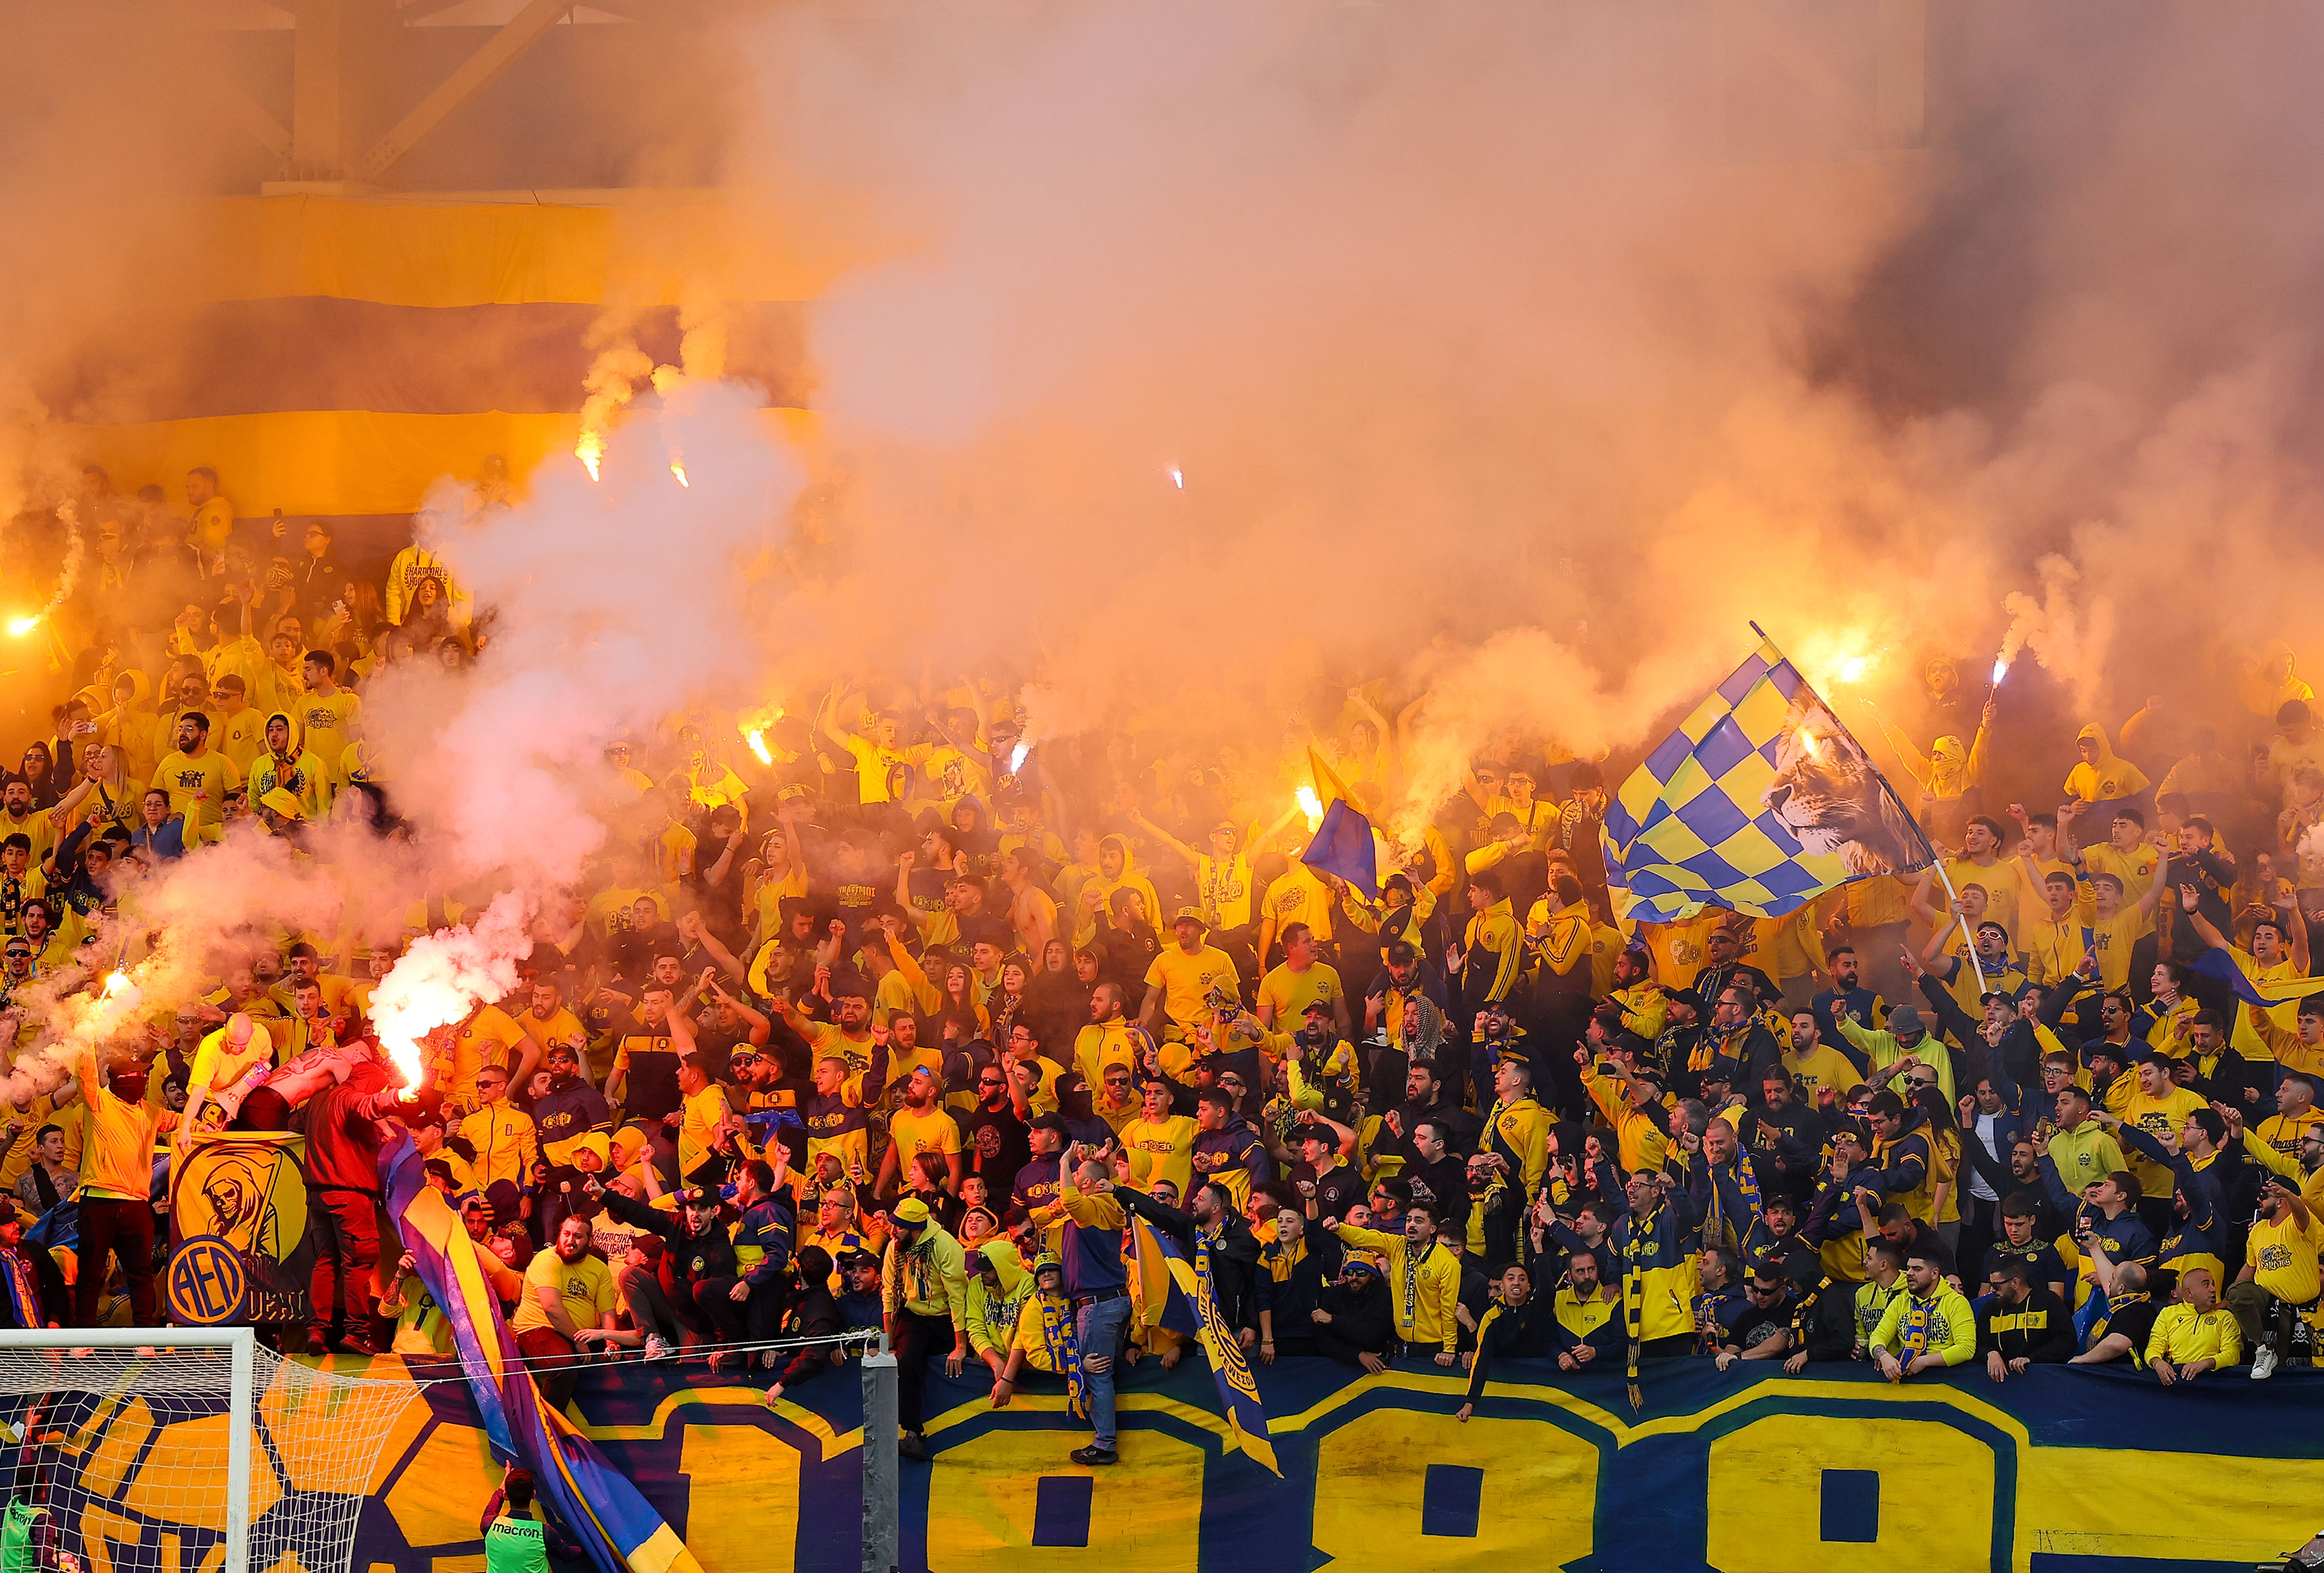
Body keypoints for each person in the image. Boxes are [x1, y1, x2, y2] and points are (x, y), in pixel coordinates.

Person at [880, 1195, 969, 1458]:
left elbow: (957, 1297)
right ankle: (912, 1433)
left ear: (916, 1228)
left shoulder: (946, 1246)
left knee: (952, 1365)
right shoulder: (896, 1246)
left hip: (944, 1316)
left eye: (900, 1226)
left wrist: (961, 1346)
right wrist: (889, 1342)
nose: (893, 1230)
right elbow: (888, 1293)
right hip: (914, 1313)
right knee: (906, 1362)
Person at [511, 1215, 622, 1413]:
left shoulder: (599, 1269)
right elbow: (552, 1308)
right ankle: (548, 1425)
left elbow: (607, 1311)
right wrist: (578, 1341)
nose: (570, 1241)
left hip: (582, 1334)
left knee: (628, 1352)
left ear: (590, 1241)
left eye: (577, 1236)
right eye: (566, 1234)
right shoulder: (546, 1259)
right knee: (564, 1365)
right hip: (537, 1329)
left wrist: (610, 1342)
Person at [1867, 1249, 1975, 1382]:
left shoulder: (1956, 1302)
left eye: (1917, 1269)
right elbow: (1878, 1335)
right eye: (1908, 1268)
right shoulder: (1901, 1301)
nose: (1909, 1273)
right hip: (1906, 1378)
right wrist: (1884, 1356)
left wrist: (1924, 1362)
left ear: (1934, 1274)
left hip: (1945, 1379)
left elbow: (1966, 1348)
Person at [1974, 1258, 2075, 1381]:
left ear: (2015, 1283)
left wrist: (2032, 1359)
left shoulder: (2048, 1302)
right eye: (1991, 1285)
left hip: (2045, 1380)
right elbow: (1978, 1344)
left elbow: (2067, 1341)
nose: (1992, 1290)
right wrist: (1990, 1353)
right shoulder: (1990, 1310)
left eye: (1997, 1286)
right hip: (2002, 1384)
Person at [478, 1467, 580, 1573]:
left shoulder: (489, 1525)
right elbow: (570, 1555)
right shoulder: (545, 1533)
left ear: (506, 1496)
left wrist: (502, 1487)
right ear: (534, 1494)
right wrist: (584, 1546)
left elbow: (492, 1507)